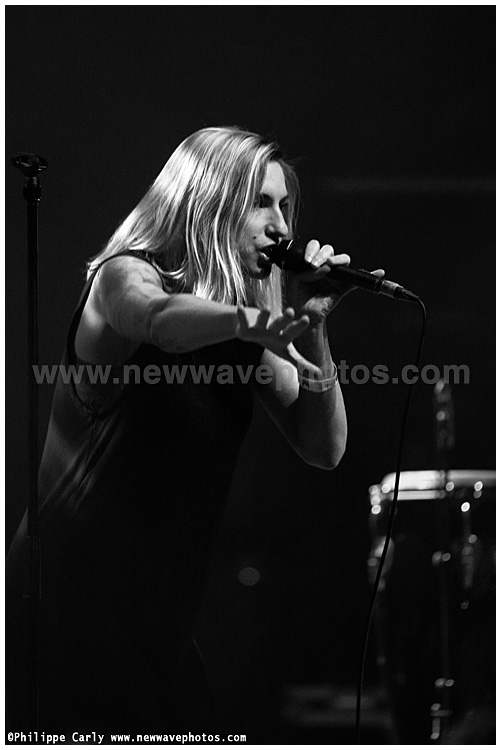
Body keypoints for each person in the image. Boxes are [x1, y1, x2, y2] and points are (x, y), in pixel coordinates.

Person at [6, 126, 353, 737]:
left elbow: (324, 448)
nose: (282, 228)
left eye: (285, 207)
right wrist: (255, 320)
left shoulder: (242, 331)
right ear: (209, 201)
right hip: (63, 613)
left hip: (158, 628)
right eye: (261, 203)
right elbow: (160, 322)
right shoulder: (123, 276)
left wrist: (314, 325)